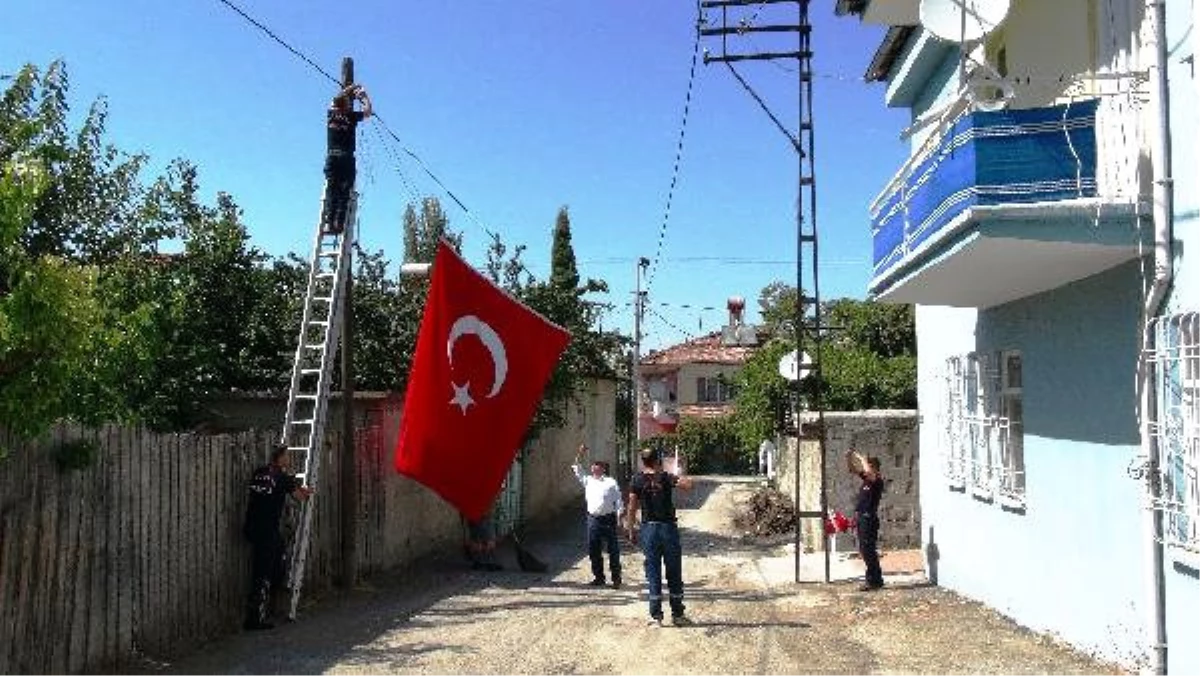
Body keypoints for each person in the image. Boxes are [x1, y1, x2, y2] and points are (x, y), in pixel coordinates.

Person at [242, 444, 313, 630]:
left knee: (275, 556)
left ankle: (268, 605)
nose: (289, 459)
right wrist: (307, 491)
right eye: (287, 456)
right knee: (263, 573)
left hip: (252, 526)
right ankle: (254, 618)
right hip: (267, 529)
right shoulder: (282, 477)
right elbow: (299, 497)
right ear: (280, 457)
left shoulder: (259, 472)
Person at [625, 448, 694, 627]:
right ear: (658, 460)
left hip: (649, 530)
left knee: (653, 572)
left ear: (643, 461)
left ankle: (656, 616)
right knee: (674, 572)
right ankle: (678, 614)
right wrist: (678, 472)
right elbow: (688, 486)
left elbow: (631, 507)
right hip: (668, 529)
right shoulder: (665, 477)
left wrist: (631, 529)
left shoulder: (637, 479)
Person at [571, 444, 623, 588]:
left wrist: (619, 519)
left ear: (603, 469)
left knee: (613, 550)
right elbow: (576, 466)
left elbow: (618, 501)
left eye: (597, 466)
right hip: (593, 519)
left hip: (609, 519)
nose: (593, 468)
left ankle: (616, 578)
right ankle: (599, 577)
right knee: (594, 550)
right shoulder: (587, 480)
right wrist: (580, 453)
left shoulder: (611, 482)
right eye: (593, 466)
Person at [323, 83, 372, 234]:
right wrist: (363, 96)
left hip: (332, 156)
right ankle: (339, 222)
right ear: (348, 105)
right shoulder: (351, 116)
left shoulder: (331, 113)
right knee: (344, 191)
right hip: (346, 158)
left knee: (332, 190)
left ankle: (329, 222)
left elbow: (336, 99)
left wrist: (351, 87)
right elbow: (368, 112)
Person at [847, 448, 885, 591]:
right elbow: (852, 470)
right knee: (865, 549)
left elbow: (869, 472)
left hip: (869, 519)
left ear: (874, 468)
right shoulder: (867, 480)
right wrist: (849, 458)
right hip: (862, 518)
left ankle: (874, 580)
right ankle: (874, 579)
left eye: (868, 465)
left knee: (868, 549)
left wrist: (862, 458)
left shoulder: (877, 481)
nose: (865, 468)